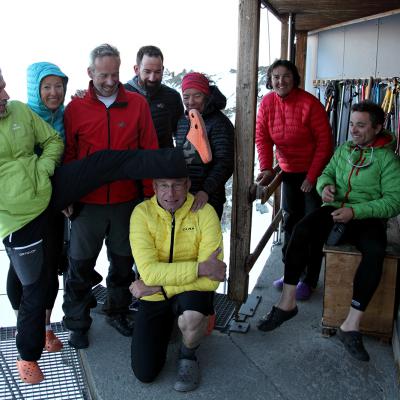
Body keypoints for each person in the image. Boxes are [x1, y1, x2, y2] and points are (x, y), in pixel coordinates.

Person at [257, 101, 400, 362]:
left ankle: (350, 325)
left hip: (366, 216)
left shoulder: (387, 159)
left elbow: (393, 201)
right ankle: (287, 304)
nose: (353, 130)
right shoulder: (345, 150)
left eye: (361, 125)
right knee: (301, 230)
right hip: (335, 209)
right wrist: (325, 187)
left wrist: (355, 212)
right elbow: (327, 174)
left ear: (378, 128)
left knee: (376, 251)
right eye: (353, 123)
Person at [62, 44, 159, 347]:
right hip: (87, 203)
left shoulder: (137, 104)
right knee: (79, 265)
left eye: (114, 74)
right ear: (90, 73)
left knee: (122, 263)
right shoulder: (75, 108)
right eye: (103, 74)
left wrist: (148, 197)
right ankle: (77, 322)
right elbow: (69, 156)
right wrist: (67, 196)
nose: (109, 80)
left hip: (126, 201)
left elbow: (149, 152)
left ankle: (116, 310)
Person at [129, 168, 227, 392]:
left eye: (177, 185)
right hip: (158, 293)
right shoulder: (141, 213)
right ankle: (170, 324)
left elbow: (213, 279)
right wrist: (199, 269)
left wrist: (158, 286)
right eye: (163, 185)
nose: (170, 193)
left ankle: (188, 354)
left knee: (192, 318)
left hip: (164, 290)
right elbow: (150, 272)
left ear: (188, 185)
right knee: (145, 373)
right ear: (154, 187)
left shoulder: (205, 212)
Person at [255, 59, 333, 300]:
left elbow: (325, 143)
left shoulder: (310, 103)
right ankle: (291, 273)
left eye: (286, 76)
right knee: (290, 223)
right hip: (288, 172)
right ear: (271, 80)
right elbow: (263, 138)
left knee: (310, 228)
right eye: (276, 77)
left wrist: (312, 177)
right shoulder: (267, 103)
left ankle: (309, 280)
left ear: (294, 78)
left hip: (314, 173)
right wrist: (267, 168)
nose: (281, 81)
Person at [6, 62, 68, 355]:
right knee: (23, 273)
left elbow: (64, 147)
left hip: (57, 204)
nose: (54, 92)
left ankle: (44, 327)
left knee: (52, 265)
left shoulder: (66, 115)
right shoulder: (25, 113)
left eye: (59, 86)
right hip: (22, 210)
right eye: (46, 86)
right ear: (35, 88)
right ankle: (27, 323)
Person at [175, 72, 234, 219]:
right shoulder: (183, 121)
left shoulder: (219, 123)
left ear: (206, 96)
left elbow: (224, 163)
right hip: (183, 197)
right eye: (186, 96)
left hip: (208, 199)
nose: (191, 102)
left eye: (197, 96)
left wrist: (205, 191)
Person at [124, 45, 183, 148]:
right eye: (147, 71)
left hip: (163, 160)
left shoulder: (173, 97)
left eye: (157, 72)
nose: (152, 78)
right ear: (137, 69)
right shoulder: (120, 94)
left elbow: (180, 133)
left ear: (163, 69)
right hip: (132, 160)